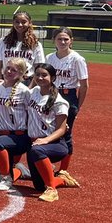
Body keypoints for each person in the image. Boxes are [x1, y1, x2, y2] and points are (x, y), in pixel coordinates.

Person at [24, 62, 80, 203]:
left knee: (37, 151)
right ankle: (61, 180)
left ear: (53, 78)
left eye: (44, 75)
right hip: (35, 144)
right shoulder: (33, 92)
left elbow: (62, 129)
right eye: (38, 75)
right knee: (38, 186)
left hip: (54, 145)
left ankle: (52, 190)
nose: (40, 78)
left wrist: (45, 140)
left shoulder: (59, 101)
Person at [45, 27, 89, 176]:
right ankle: (47, 164)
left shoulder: (77, 59)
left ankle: (63, 169)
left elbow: (84, 85)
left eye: (66, 39)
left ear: (71, 41)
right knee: (48, 129)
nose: (62, 42)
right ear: (54, 40)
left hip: (68, 95)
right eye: (59, 39)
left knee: (65, 132)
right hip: (52, 95)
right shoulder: (50, 57)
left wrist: (77, 106)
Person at [0, 57, 31, 192]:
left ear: (22, 74)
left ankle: (7, 177)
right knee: (1, 170)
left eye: (15, 70)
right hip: (0, 133)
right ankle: (18, 170)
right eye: (8, 68)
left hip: (18, 136)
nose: (9, 71)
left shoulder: (24, 91)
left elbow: (32, 114)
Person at [0, 10, 45, 82]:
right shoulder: (3, 42)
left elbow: (39, 68)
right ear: (13, 23)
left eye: (23, 22)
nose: (20, 25)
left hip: (26, 80)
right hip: (7, 79)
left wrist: (31, 86)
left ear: (29, 23)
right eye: (17, 22)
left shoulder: (36, 44)